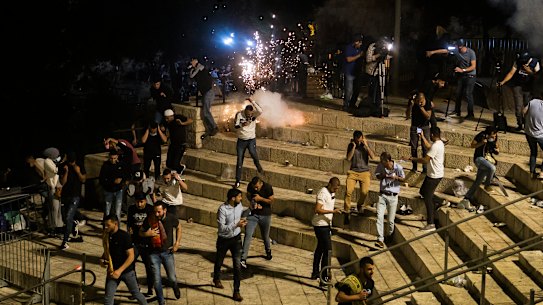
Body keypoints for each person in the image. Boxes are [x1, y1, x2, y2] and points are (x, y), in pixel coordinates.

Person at [139, 201, 182, 305]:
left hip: (167, 253)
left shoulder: (171, 218)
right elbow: (140, 232)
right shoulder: (150, 219)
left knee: (171, 278)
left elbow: (179, 227)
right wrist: (147, 234)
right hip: (153, 253)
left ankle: (175, 286)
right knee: (157, 281)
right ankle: (161, 302)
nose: (157, 214)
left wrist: (177, 243)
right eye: (155, 212)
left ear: (164, 210)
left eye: (159, 212)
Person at [101, 214, 148, 305]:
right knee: (108, 298)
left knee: (136, 294)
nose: (106, 227)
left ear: (115, 224)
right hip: (112, 271)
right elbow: (107, 250)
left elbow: (131, 256)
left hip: (127, 272)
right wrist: (102, 259)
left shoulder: (124, 236)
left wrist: (119, 271)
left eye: (108, 225)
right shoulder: (107, 236)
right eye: (105, 225)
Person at [426, 38, 477, 118]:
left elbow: (473, 66)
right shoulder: (456, 50)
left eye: (461, 47)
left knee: (468, 94)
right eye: (458, 46)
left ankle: (470, 113)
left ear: (464, 46)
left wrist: (462, 70)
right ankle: (457, 111)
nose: (459, 48)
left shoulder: (471, 52)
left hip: (470, 76)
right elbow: (445, 51)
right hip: (461, 75)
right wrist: (432, 52)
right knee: (458, 93)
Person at [213, 188, 247, 302]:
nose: (241, 198)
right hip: (224, 239)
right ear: (233, 198)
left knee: (237, 266)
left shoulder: (239, 205)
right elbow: (222, 228)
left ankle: (236, 291)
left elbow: (242, 213)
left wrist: (249, 213)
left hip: (236, 239)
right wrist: (236, 224)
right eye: (239, 197)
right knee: (219, 261)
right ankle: (216, 278)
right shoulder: (222, 209)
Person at [408, 127, 444, 231]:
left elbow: (425, 160)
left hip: (434, 176)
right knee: (423, 191)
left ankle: (431, 223)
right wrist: (422, 137)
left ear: (432, 135)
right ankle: (441, 201)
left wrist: (413, 159)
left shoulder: (436, 146)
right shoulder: (439, 143)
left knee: (427, 198)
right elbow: (429, 147)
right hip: (434, 174)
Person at [460, 126, 499, 213]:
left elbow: (496, 147)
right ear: (488, 134)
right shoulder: (481, 135)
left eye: (495, 136)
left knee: (478, 181)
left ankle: (467, 198)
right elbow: (472, 145)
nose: (494, 137)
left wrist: (497, 148)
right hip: (479, 159)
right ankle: (487, 185)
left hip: (486, 159)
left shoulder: (494, 138)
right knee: (492, 168)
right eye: (493, 136)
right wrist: (481, 143)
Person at [498, 50, 540, 130]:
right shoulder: (518, 61)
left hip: (529, 88)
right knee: (518, 106)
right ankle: (520, 124)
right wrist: (503, 82)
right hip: (518, 86)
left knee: (528, 107)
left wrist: (529, 71)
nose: (522, 62)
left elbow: (538, 77)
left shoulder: (535, 62)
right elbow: (511, 73)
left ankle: (528, 125)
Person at [311, 177, 342, 286]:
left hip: (326, 224)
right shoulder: (323, 193)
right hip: (320, 225)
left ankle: (315, 272)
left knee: (320, 248)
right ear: (329, 184)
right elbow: (317, 209)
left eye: (337, 189)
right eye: (334, 188)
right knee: (327, 250)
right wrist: (332, 211)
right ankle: (323, 278)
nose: (335, 190)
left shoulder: (330, 193)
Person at [240, 176, 274, 269]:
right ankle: (243, 259)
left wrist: (261, 199)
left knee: (265, 236)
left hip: (265, 215)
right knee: (248, 235)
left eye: (257, 187)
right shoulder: (250, 186)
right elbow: (248, 194)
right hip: (253, 215)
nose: (255, 189)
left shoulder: (268, 187)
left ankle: (268, 251)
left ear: (261, 183)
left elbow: (271, 200)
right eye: (254, 187)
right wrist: (253, 202)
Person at [344, 130, 376, 224]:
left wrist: (365, 145)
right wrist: (353, 147)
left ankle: (360, 204)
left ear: (362, 138)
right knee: (348, 191)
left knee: (364, 192)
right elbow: (348, 158)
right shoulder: (351, 145)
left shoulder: (365, 145)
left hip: (364, 172)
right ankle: (347, 211)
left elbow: (373, 156)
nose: (358, 141)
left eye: (360, 139)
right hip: (353, 172)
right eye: (357, 140)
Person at [374, 152, 405, 248]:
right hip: (382, 194)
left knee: (390, 220)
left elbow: (403, 179)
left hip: (393, 196)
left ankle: (390, 236)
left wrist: (396, 178)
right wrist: (384, 175)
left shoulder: (398, 168)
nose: (381, 163)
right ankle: (380, 239)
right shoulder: (381, 166)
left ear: (388, 161)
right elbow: (377, 175)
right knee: (379, 216)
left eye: (382, 161)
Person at [127, 192, 155, 297]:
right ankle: (135, 288)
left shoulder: (150, 209)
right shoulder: (131, 209)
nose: (139, 204)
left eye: (141, 202)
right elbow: (129, 223)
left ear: (145, 201)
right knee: (131, 264)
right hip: (135, 241)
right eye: (137, 202)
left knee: (149, 266)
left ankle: (150, 288)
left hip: (147, 242)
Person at [233, 98, 264, 189]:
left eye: (250, 114)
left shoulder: (254, 114)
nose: (249, 115)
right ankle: (237, 180)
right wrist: (243, 125)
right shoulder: (239, 114)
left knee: (254, 154)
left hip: (251, 139)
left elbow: (260, 111)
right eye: (247, 114)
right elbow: (235, 126)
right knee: (239, 161)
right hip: (241, 140)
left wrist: (252, 101)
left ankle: (258, 166)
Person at [59, 151, 87, 250]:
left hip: (75, 196)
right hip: (65, 196)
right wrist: (66, 172)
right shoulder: (63, 166)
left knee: (68, 217)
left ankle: (65, 242)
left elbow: (83, 179)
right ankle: (75, 222)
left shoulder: (79, 165)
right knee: (65, 218)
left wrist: (78, 171)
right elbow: (62, 182)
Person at [189, 57, 218, 139]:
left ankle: (214, 127)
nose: (191, 63)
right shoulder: (197, 70)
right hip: (205, 93)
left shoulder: (200, 68)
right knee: (204, 113)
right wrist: (192, 68)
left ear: (196, 61)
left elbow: (192, 75)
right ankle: (210, 129)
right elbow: (191, 76)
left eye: (192, 61)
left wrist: (194, 67)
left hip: (208, 92)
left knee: (206, 112)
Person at [99, 150, 130, 222]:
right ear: (109, 157)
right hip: (108, 191)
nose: (113, 160)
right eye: (111, 158)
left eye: (114, 158)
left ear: (117, 157)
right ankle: (106, 229)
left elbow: (126, 175)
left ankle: (117, 229)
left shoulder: (121, 165)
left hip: (118, 190)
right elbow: (102, 180)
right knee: (107, 212)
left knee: (118, 212)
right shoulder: (105, 166)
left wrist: (124, 181)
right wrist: (113, 181)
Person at [407, 92, 433, 173]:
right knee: (414, 147)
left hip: (424, 127)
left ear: (424, 99)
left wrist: (421, 108)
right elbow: (407, 115)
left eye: (421, 101)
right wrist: (410, 106)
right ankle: (414, 167)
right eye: (418, 101)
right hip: (415, 126)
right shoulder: (413, 102)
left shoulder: (428, 103)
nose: (419, 102)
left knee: (424, 147)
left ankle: (425, 168)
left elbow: (428, 116)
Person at [163, 108, 193, 175]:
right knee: (168, 163)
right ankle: (176, 171)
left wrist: (182, 123)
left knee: (175, 163)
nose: (166, 120)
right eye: (165, 118)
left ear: (171, 116)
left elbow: (190, 120)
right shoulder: (167, 122)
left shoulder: (178, 118)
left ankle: (180, 169)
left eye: (167, 118)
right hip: (173, 144)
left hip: (180, 145)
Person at [366, 36, 392, 110]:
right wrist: (378, 55)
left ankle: (378, 107)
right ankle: (369, 105)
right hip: (372, 71)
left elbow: (386, 58)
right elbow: (368, 59)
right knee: (372, 89)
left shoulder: (385, 48)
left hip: (380, 71)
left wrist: (389, 54)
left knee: (380, 90)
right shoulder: (372, 46)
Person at [522, 90, 543, 179]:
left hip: (529, 132)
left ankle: (532, 172)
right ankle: (542, 172)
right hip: (540, 135)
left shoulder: (533, 102)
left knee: (533, 152)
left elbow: (523, 112)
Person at [343, 34, 364, 110]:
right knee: (349, 90)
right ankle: (346, 105)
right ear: (356, 42)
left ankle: (352, 104)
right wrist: (359, 56)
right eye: (359, 43)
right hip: (349, 71)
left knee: (356, 90)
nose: (360, 44)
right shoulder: (349, 48)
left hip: (356, 72)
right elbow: (348, 59)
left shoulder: (360, 49)